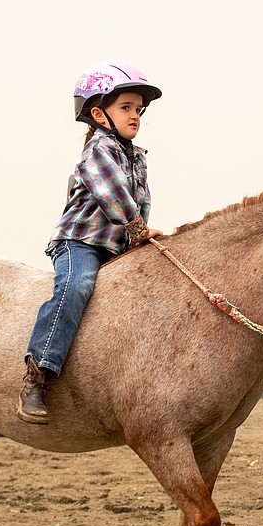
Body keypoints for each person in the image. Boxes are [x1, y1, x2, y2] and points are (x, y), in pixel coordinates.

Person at [17, 60, 162, 424]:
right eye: (125, 108)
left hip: (118, 246)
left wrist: (144, 237)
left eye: (138, 110)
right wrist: (139, 228)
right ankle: (38, 376)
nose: (135, 117)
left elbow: (142, 201)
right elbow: (113, 195)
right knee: (77, 286)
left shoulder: (138, 158)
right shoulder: (99, 150)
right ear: (98, 113)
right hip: (80, 242)